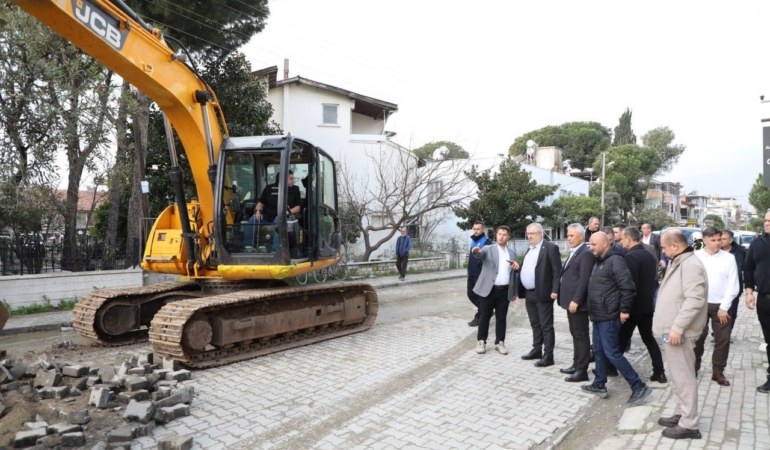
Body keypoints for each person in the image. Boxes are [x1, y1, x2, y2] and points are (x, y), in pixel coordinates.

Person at [581, 232, 652, 406]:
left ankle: (638, 386)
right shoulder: (600, 260)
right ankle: (599, 384)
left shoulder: (616, 261)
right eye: (589, 244)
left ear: (605, 244)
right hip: (599, 315)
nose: (591, 248)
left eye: (593, 244)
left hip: (609, 316)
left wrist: (624, 310)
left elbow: (628, 288)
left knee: (612, 352)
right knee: (598, 350)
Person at [653, 229, 708, 439]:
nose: (664, 252)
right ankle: (681, 413)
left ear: (675, 247)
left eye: (665, 248)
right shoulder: (680, 261)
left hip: (679, 332)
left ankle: (689, 423)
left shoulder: (691, 265)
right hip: (673, 330)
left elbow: (695, 300)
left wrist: (677, 327)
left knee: (683, 376)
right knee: (677, 375)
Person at [618, 226, 667, 383]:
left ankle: (609, 368)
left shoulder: (631, 257)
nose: (621, 242)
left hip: (634, 307)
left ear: (629, 239)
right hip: (647, 306)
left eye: (623, 239)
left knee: (621, 339)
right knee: (648, 339)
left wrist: (624, 308)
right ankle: (659, 371)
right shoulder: (648, 254)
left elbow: (629, 285)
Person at [693, 226, 738, 386]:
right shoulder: (696, 257)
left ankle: (718, 371)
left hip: (722, 306)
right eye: (713, 240)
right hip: (700, 305)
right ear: (705, 240)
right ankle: (694, 366)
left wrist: (724, 307)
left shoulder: (728, 258)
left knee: (722, 340)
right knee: (698, 337)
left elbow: (734, 285)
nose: (717, 243)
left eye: (719, 239)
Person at [518, 223, 562, 367]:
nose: (529, 236)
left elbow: (557, 271)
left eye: (532, 233)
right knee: (535, 324)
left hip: (543, 293)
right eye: (528, 233)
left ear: (540, 233)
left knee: (546, 326)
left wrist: (555, 290)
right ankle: (537, 349)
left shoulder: (550, 248)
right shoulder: (530, 249)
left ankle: (548, 355)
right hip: (529, 293)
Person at [471, 226, 518, 355]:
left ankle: (500, 342)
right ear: (496, 235)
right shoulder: (488, 249)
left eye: (504, 234)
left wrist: (514, 291)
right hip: (489, 290)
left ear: (508, 237)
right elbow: (480, 254)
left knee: (501, 318)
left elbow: (513, 274)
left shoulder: (512, 253)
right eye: (499, 234)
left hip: (505, 290)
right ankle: (481, 341)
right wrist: (476, 251)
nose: (501, 236)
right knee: (484, 316)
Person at [558, 223, 595, 382]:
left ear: (581, 237)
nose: (569, 238)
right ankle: (576, 363)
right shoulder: (575, 252)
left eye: (572, 235)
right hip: (570, 302)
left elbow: (584, 281)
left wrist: (576, 300)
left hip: (578, 304)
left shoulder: (585, 253)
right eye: (568, 235)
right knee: (575, 333)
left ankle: (582, 370)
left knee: (581, 335)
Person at [744, 210, 770, 394]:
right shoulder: (757, 243)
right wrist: (749, 292)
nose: (767, 223)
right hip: (764, 300)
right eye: (766, 220)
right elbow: (748, 268)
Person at [249, 171, 302, 250]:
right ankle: (247, 247)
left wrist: (286, 212)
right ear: (283, 179)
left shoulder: (295, 190)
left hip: (283, 217)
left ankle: (276, 250)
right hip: (267, 216)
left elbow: (298, 208)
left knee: (279, 220)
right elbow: (260, 204)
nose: (293, 180)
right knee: (252, 220)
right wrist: (258, 211)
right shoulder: (269, 188)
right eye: (291, 178)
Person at [467, 222, 492, 327]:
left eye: (478, 229)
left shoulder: (487, 242)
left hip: (480, 274)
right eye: (474, 229)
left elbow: (487, 258)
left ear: (483, 229)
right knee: (470, 294)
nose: (476, 231)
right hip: (471, 273)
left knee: (479, 296)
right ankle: (487, 310)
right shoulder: (473, 241)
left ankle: (480, 316)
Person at [721, 230, 745, 335]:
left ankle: (727, 332)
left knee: (732, 312)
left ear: (730, 240)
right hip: (718, 287)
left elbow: (747, 268)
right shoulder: (716, 250)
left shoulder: (741, 251)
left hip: (734, 286)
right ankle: (718, 332)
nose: (720, 241)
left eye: (723, 239)